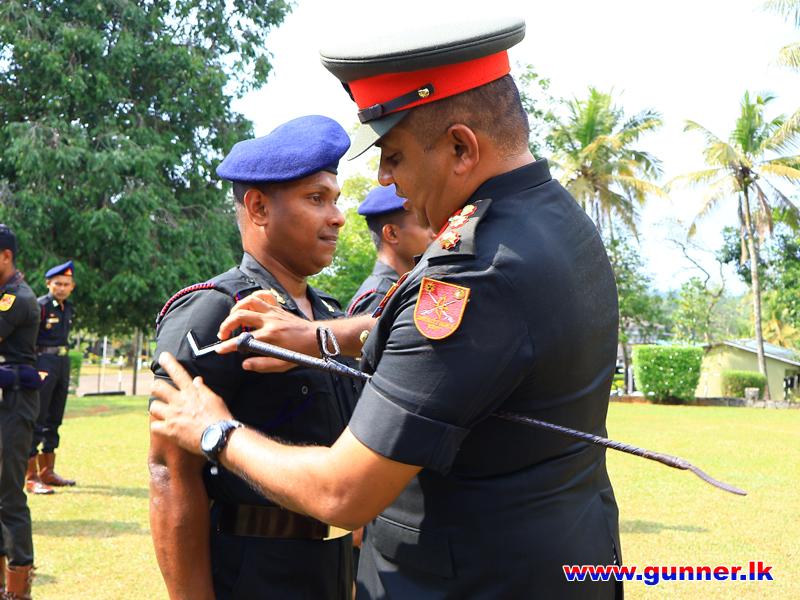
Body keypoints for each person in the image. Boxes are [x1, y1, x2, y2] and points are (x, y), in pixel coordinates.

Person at [150, 15, 622, 599]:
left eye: (393, 155)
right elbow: (168, 473)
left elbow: (342, 493)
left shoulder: (475, 273)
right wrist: (321, 337)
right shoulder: (555, 222)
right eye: (316, 197)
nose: (384, 181)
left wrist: (214, 430)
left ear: (461, 147)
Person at [148, 115, 361, 600]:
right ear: (259, 207)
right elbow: (169, 470)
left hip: (333, 564)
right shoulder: (214, 310)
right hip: (255, 570)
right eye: (317, 199)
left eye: (336, 199)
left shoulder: (330, 317)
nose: (337, 217)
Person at [0, 224, 41, 599]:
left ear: (6, 256)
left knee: (9, 495)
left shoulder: (16, 298)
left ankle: (18, 586)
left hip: (14, 403)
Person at [25, 260, 77, 495]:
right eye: (58, 284)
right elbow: (28, 339)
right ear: (48, 284)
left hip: (62, 363)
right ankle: (31, 476)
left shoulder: (68, 308)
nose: (62, 288)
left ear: (72, 286)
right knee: (38, 417)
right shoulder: (41, 306)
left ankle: (48, 471)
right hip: (43, 363)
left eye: (66, 284)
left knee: (54, 418)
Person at [347, 185, 433, 316]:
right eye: (424, 223)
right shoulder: (379, 297)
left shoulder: (404, 287)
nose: (434, 232)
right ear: (391, 233)